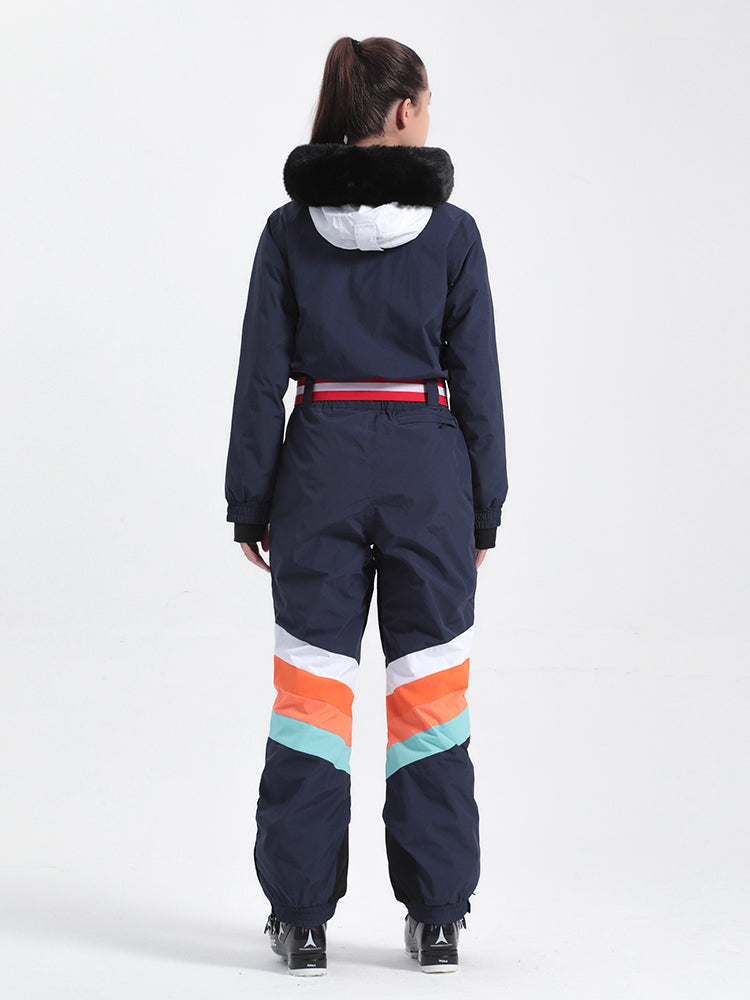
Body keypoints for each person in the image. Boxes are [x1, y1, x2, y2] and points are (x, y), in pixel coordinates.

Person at [224, 34, 508, 976]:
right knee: (430, 695)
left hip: (318, 469)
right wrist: (485, 507)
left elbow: (261, 377)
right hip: (428, 472)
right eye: (427, 104)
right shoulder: (454, 234)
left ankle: (301, 920)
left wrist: (250, 500)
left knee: (311, 696)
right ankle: (437, 918)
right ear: (402, 112)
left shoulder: (287, 230)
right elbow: (478, 384)